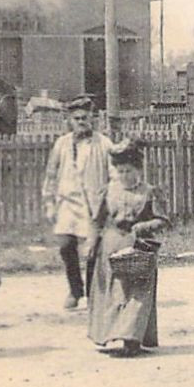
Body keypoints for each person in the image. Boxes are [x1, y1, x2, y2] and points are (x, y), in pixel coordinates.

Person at [88, 140, 169, 357]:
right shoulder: (108, 191)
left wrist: (142, 227)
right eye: (120, 171)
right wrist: (92, 243)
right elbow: (97, 220)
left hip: (139, 247)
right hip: (111, 246)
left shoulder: (149, 192)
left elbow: (163, 220)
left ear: (138, 170)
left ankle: (132, 340)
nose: (124, 175)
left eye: (129, 171)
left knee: (138, 293)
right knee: (112, 293)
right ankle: (109, 335)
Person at [41, 96, 113, 310]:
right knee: (65, 245)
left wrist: (109, 202)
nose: (81, 121)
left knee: (93, 250)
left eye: (85, 117)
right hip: (67, 204)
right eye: (77, 118)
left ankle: (93, 294)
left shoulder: (104, 144)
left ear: (93, 118)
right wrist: (49, 202)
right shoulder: (61, 144)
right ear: (70, 120)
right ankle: (75, 289)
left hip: (93, 204)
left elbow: (114, 174)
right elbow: (51, 175)